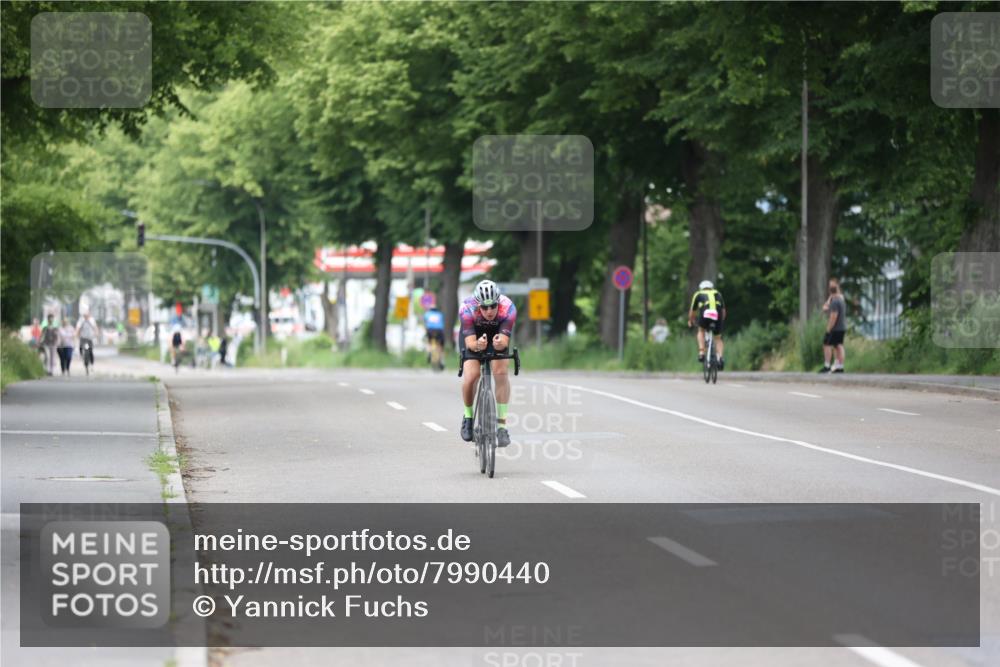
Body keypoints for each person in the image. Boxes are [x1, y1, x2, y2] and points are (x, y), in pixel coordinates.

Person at [459, 279, 517, 447]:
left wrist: (500, 342)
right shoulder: (466, 308)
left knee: (500, 373)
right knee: (472, 376)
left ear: (498, 302)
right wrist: (477, 345)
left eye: (493, 306)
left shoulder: (508, 308)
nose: (489, 311)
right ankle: (468, 417)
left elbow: (505, 341)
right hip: (473, 337)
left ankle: (501, 426)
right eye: (485, 307)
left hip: (496, 335)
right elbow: (470, 343)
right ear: (478, 305)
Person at [687, 280, 726, 369]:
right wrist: (720, 322)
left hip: (705, 314)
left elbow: (692, 311)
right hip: (717, 316)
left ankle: (701, 352)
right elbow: (723, 312)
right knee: (718, 338)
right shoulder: (718, 294)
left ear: (701, 288)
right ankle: (720, 357)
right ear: (711, 288)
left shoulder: (698, 294)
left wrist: (690, 320)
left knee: (701, 331)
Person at [819, 278, 847, 373]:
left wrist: (828, 328)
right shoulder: (840, 299)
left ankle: (827, 366)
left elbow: (833, 316)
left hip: (835, 328)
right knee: (838, 346)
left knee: (827, 344)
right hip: (842, 327)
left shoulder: (835, 301)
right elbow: (825, 307)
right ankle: (839, 366)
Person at [423, 297, 446, 370]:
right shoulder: (440, 314)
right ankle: (442, 361)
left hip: (430, 330)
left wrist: (426, 332)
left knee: (429, 343)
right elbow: (442, 324)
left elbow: (425, 324)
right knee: (440, 346)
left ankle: (429, 352)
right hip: (439, 330)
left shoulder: (427, 314)